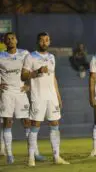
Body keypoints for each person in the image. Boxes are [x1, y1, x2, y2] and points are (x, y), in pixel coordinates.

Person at [21, 32, 69, 166]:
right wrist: (37, 71)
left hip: (52, 97)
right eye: (41, 40)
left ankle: (56, 157)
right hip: (38, 97)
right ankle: (31, 158)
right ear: (38, 42)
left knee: (55, 125)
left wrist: (58, 96)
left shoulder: (52, 57)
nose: (44, 42)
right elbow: (23, 76)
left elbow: (53, 77)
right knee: (35, 126)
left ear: (50, 42)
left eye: (46, 40)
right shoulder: (30, 57)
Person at [0, 32, 45, 164]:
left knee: (27, 122)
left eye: (13, 38)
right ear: (4, 42)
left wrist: (29, 86)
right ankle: (9, 155)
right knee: (7, 123)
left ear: (17, 40)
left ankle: (34, 152)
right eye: (8, 39)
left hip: (21, 92)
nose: (11, 41)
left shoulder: (25, 54)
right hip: (7, 93)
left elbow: (33, 70)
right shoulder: (1, 56)